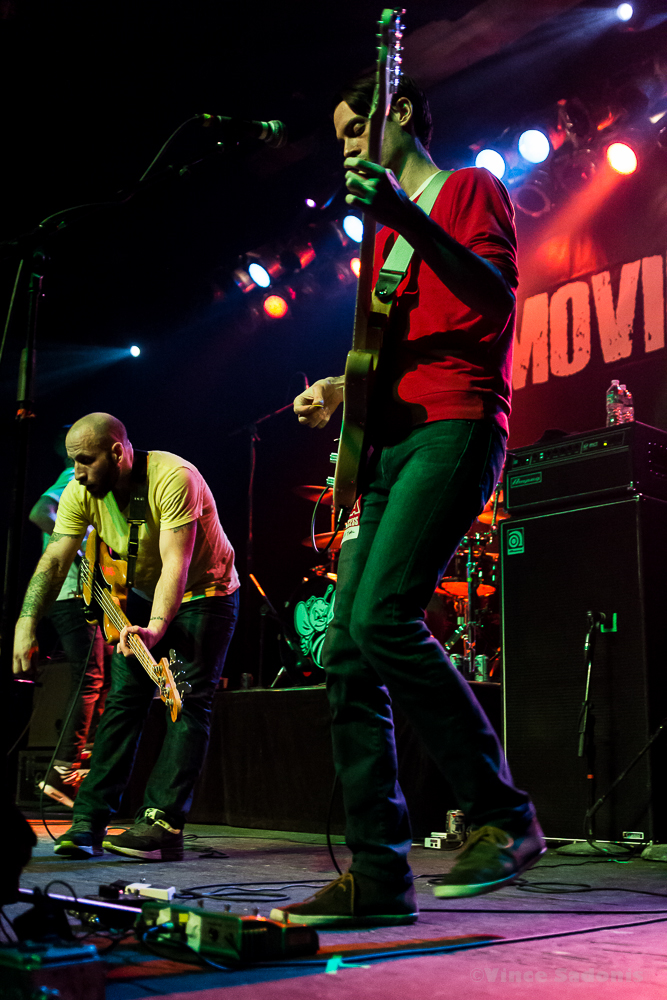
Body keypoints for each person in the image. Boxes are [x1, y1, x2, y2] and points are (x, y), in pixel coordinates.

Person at [271, 76, 544, 928]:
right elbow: (391, 351)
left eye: (357, 128)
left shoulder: (466, 188)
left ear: (400, 112)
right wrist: (338, 388)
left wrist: (408, 217)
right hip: (388, 446)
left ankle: (502, 814)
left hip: (454, 426)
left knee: (383, 617)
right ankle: (378, 874)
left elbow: (494, 300)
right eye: (339, 136)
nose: (347, 147)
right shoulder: (384, 238)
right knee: (346, 650)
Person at [13, 413, 239, 861]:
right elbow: (55, 560)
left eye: (86, 460)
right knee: (123, 702)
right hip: (141, 592)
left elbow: (175, 563)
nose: (77, 472)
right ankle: (88, 822)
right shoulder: (80, 492)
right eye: (73, 462)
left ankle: (162, 823)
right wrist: (26, 621)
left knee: (187, 700)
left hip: (205, 592)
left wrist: (155, 628)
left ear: (117, 452)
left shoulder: (173, 477)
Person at [29, 426, 109, 808]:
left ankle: (78, 761)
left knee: (98, 676)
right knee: (89, 678)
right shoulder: (70, 477)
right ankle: (62, 769)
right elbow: (39, 511)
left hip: (79, 595)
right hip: (72, 593)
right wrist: (77, 552)